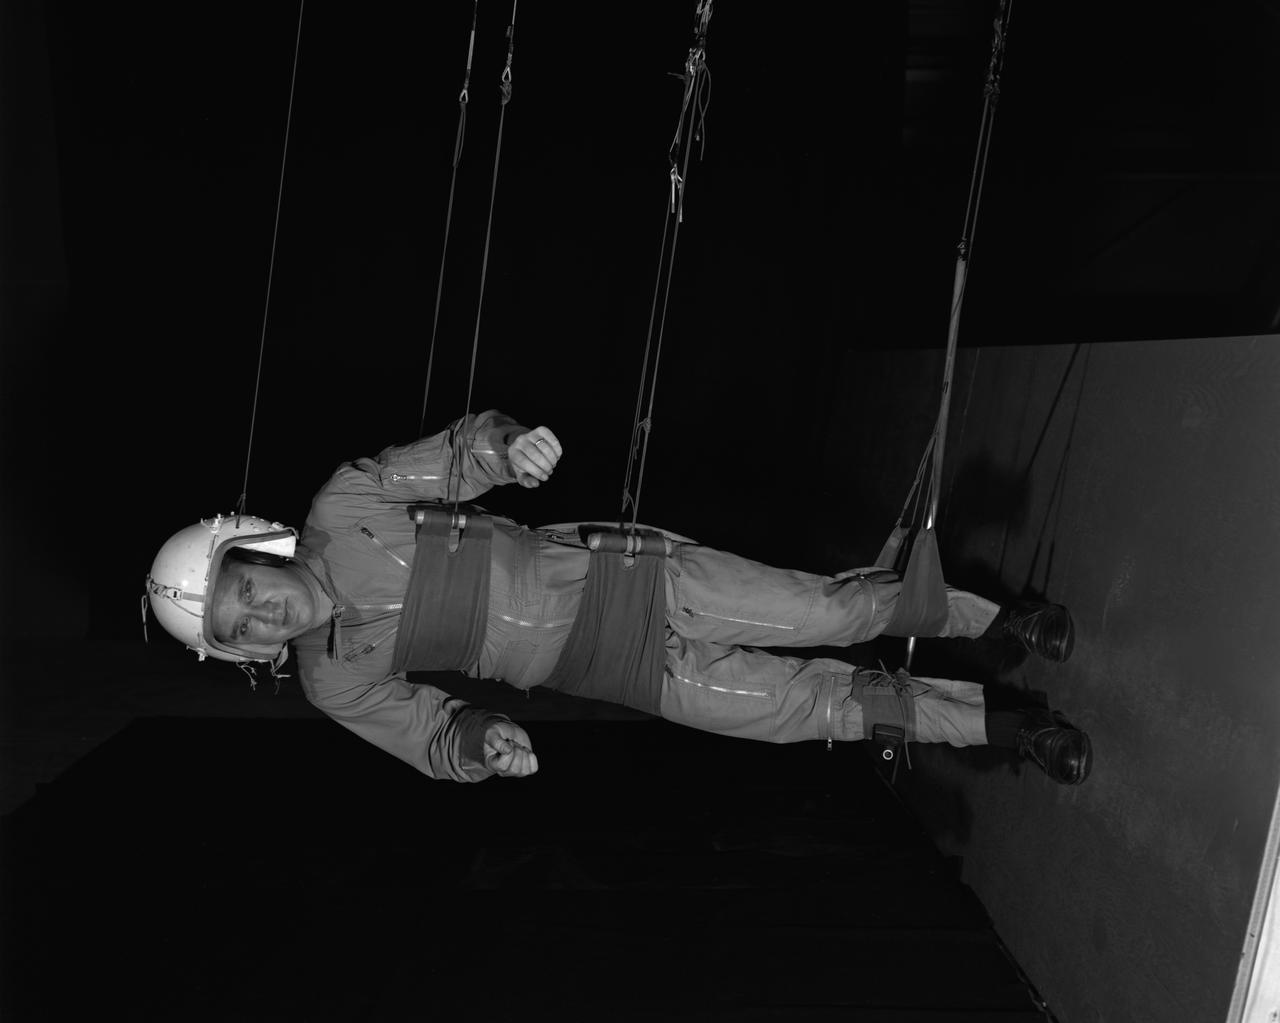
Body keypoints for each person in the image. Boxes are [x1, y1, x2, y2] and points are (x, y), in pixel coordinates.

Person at [146, 410, 1091, 787]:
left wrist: (507, 449)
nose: (259, 613)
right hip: (611, 666)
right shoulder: (331, 681)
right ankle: (1014, 728)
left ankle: (1003, 622)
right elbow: (430, 734)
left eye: (244, 591)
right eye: (237, 629)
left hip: (629, 576)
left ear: (255, 552)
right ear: (243, 652)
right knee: (813, 710)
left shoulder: (340, 505)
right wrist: (481, 742)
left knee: (838, 613)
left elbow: (454, 454)